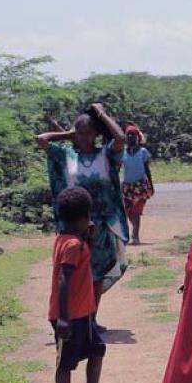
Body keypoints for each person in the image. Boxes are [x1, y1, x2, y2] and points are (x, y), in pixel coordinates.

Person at [36, 103, 130, 329]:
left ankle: (91, 318)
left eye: (90, 133)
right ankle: (72, 317)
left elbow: (120, 138)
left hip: (102, 226)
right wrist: (69, 134)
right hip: (74, 229)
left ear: (96, 134)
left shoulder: (106, 155)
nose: (85, 138)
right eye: (81, 133)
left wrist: (101, 114)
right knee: (75, 273)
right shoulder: (65, 156)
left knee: (96, 274)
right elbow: (41, 139)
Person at [49, 186, 120, 383]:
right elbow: (63, 280)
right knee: (65, 364)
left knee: (97, 349)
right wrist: (63, 318)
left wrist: (87, 238)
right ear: (84, 217)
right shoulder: (71, 245)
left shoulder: (69, 239)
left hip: (83, 312)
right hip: (69, 315)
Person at [121, 124, 154, 245]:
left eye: (133, 134)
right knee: (127, 211)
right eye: (128, 134)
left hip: (141, 186)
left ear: (137, 137)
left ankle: (135, 236)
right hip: (128, 186)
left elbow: (147, 169)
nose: (130, 137)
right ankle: (132, 233)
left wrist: (151, 185)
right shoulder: (122, 153)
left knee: (136, 211)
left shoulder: (143, 152)